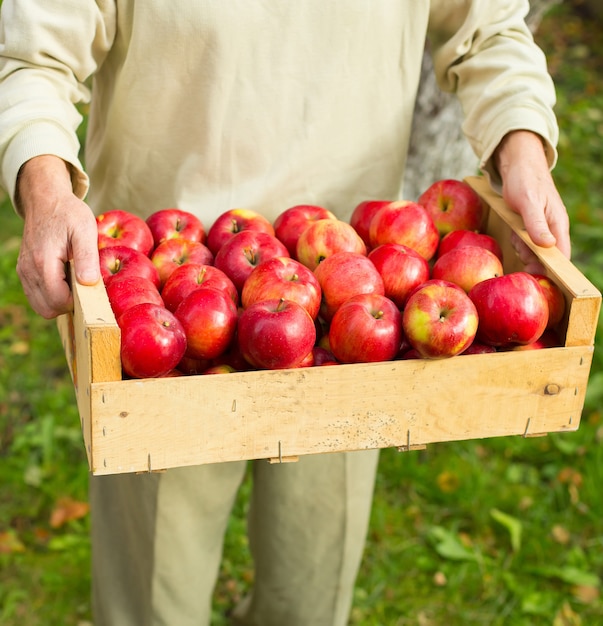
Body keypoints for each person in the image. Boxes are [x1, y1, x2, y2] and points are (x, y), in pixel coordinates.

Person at [0, 1, 571, 625]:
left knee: (311, 583)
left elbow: (488, 27)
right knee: (154, 589)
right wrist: (46, 189)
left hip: (358, 288)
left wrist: (522, 145)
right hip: (161, 290)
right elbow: (35, 54)